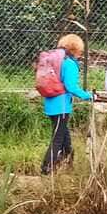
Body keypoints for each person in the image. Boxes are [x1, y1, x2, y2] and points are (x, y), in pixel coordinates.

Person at [41, 34, 92, 175]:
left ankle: (68, 164)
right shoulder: (69, 63)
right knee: (57, 138)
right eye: (81, 50)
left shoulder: (56, 61)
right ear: (76, 48)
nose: (81, 53)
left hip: (51, 102)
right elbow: (71, 86)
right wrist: (89, 96)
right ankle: (46, 169)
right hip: (61, 106)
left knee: (64, 136)